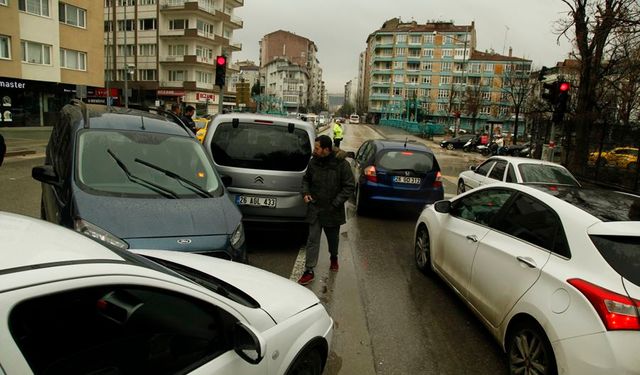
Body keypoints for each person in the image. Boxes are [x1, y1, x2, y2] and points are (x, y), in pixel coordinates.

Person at [298, 135, 355, 285]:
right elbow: (306, 180)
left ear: (326, 149)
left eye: (317, 148)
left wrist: (336, 203)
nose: (314, 151)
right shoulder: (313, 162)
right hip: (315, 208)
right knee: (312, 240)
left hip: (332, 210)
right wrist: (306, 193)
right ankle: (309, 270)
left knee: (333, 240)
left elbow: (349, 186)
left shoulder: (341, 164)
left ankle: (334, 257)